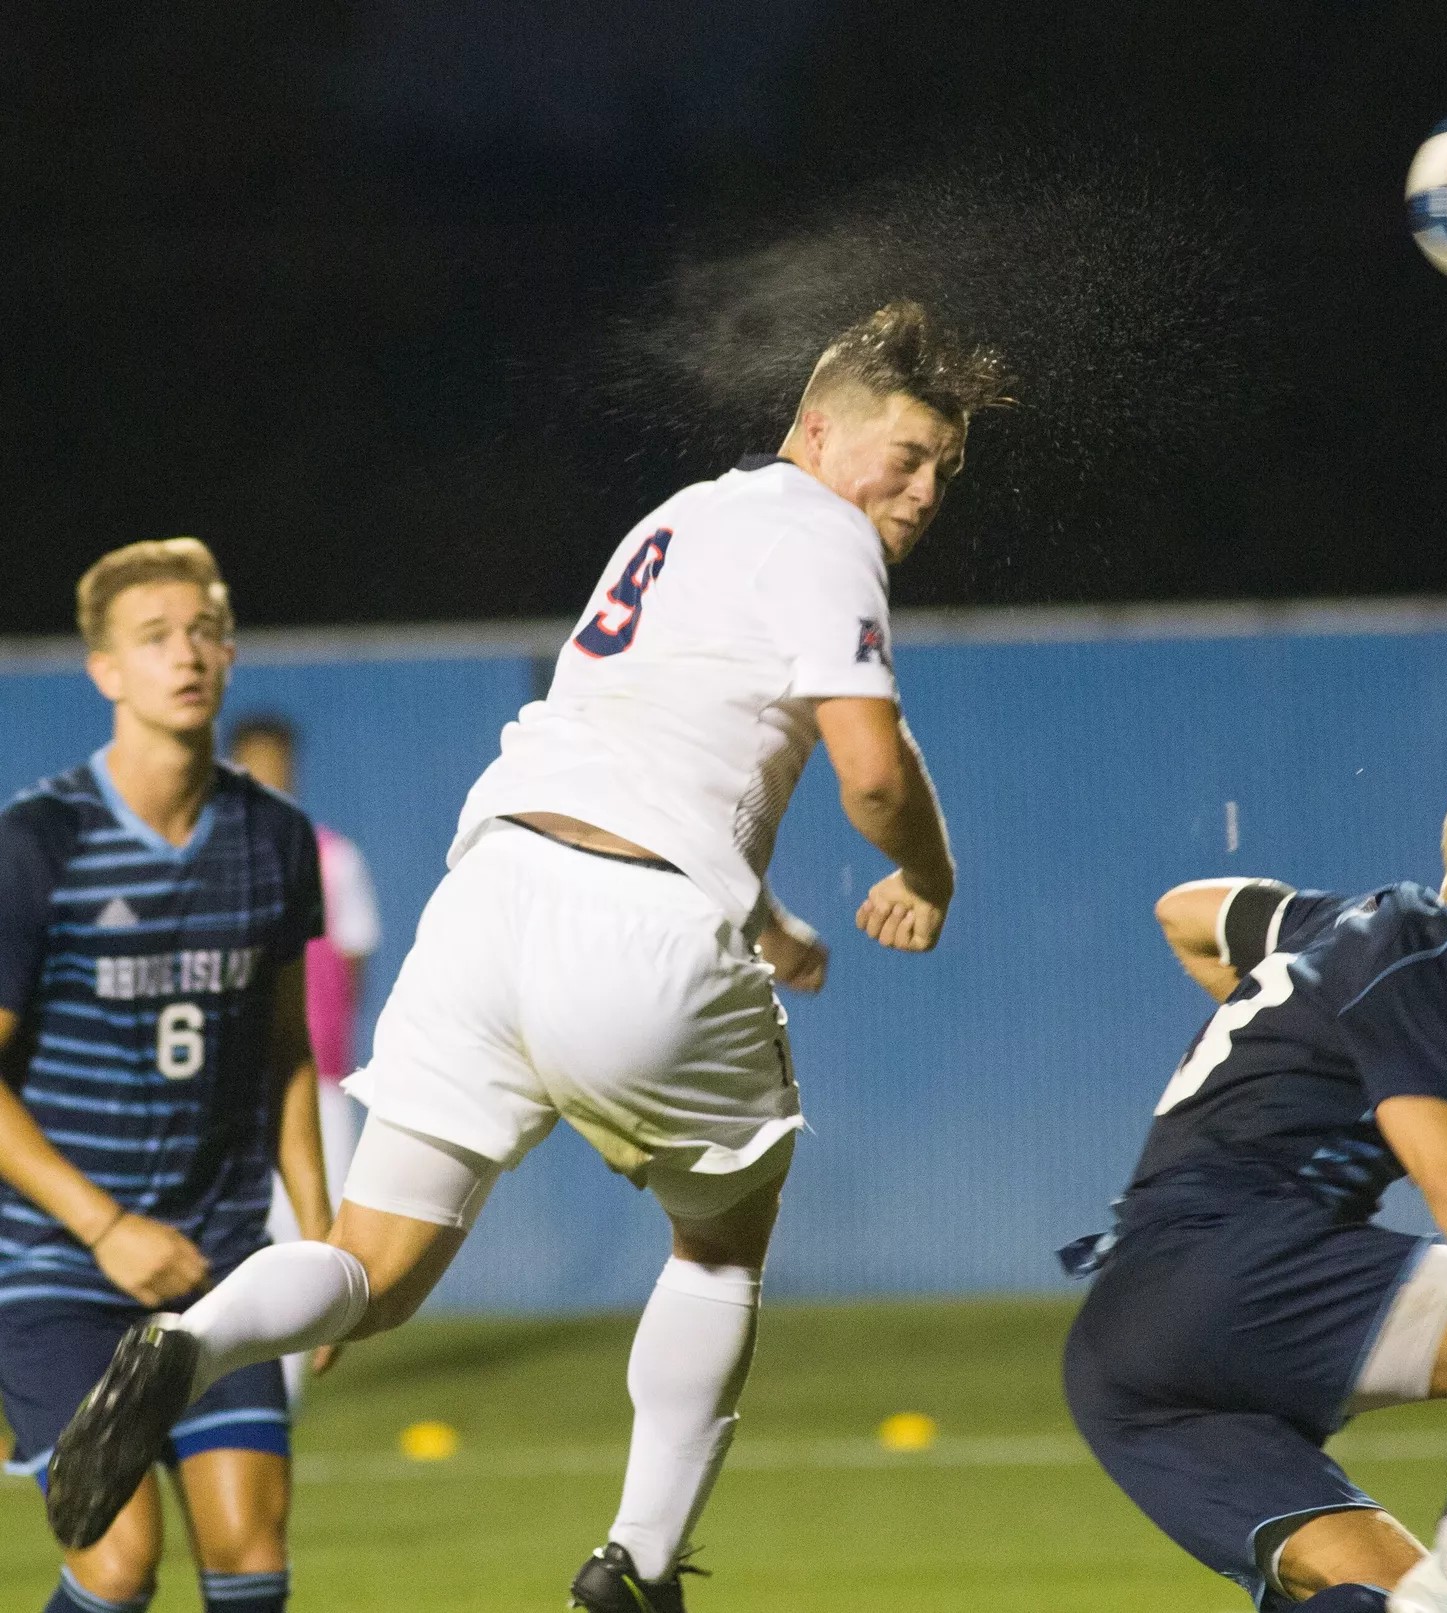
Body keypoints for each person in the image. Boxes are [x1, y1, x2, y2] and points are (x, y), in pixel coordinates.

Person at [44, 302, 1008, 1613]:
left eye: (945, 467)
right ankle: (642, 1564)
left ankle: (188, 1341)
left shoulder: (685, 517)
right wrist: (930, 875)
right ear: (819, 428)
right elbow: (874, 775)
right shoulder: (827, 535)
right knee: (723, 1244)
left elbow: (663, 744)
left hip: (493, 899)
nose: (922, 487)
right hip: (642, 934)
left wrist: (766, 917)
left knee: (372, 1274)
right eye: (906, 452)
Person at [1061, 711, 1447, 1613]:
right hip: (1236, 1262)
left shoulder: (1342, 930)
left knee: (1379, 1595)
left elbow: (1185, 914)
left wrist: (1280, 1027)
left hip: (1121, 1350)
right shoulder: (1417, 954)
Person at [0, 538, 329, 1613]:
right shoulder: (38, 843)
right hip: (60, 1266)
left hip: (220, 1260)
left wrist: (323, 1250)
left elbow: (285, 1050)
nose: (185, 654)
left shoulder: (275, 838)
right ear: (105, 671)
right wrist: (104, 1226)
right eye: (154, 638)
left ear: (228, 653)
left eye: (202, 631)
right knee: (117, 1555)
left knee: (249, 1552)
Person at [226, 714, 382, 1408]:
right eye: (257, 763)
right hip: (225, 1081)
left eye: (279, 763)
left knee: (309, 1234)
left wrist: (327, 1035)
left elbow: (352, 958)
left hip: (314, 1076)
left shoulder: (329, 855)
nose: (271, 776)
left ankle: (279, 1386)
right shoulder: (211, 853)